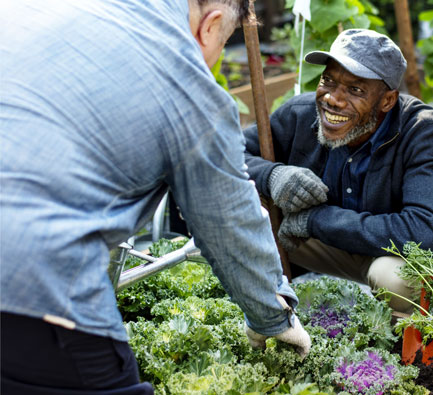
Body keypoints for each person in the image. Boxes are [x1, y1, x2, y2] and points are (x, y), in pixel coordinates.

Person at [0, 0, 311, 393]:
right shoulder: (186, 80)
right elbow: (229, 220)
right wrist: (274, 319)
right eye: (225, 41)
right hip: (31, 283)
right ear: (211, 25)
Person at [244, 29, 433, 312]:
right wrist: (272, 175)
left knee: (396, 280)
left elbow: (422, 231)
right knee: (248, 204)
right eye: (328, 81)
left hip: (389, 255)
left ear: (387, 101)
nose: (333, 98)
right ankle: (268, 315)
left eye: (355, 90)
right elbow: (228, 154)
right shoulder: (299, 114)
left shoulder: (422, 133)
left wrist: (318, 220)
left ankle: (398, 350)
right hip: (329, 248)